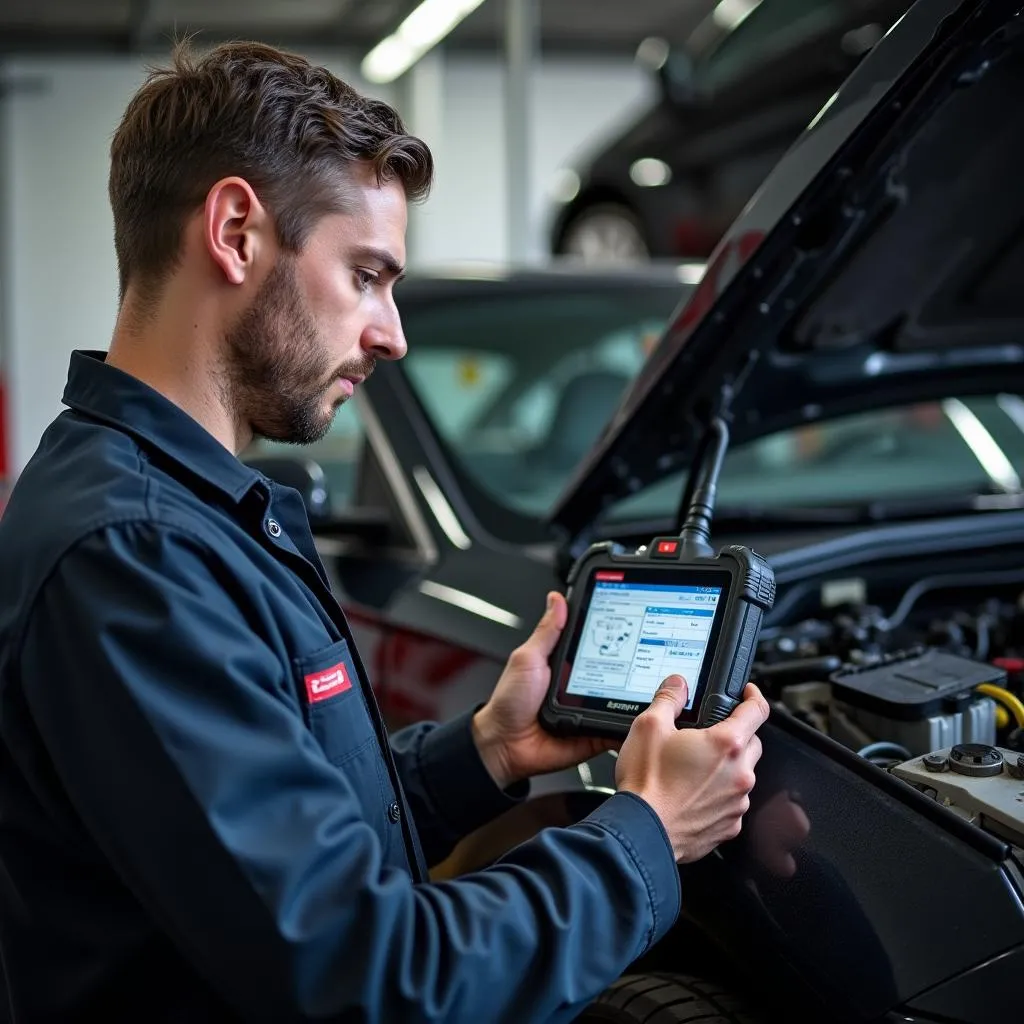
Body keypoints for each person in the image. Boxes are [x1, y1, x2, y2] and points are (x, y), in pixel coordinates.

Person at [0, 41, 769, 1023]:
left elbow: (302, 839)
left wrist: (487, 750)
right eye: (366, 274)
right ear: (236, 230)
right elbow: (371, 977)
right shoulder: (138, 554)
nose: (391, 332)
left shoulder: (188, 511)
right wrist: (649, 832)